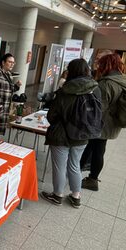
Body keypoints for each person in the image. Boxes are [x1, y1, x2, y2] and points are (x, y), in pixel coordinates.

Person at [41, 59, 100, 209]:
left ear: (71, 71)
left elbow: (51, 116)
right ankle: (76, 196)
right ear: (87, 71)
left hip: (62, 135)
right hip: (83, 134)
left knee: (60, 166)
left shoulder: (65, 90)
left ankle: (57, 195)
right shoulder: (95, 88)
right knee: (74, 165)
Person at [81, 53, 126, 191]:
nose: (99, 66)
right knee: (94, 146)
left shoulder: (106, 84)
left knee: (98, 149)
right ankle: (80, 167)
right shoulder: (122, 80)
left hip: (102, 124)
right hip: (113, 123)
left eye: (101, 64)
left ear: (107, 65)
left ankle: (93, 179)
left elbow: (99, 108)